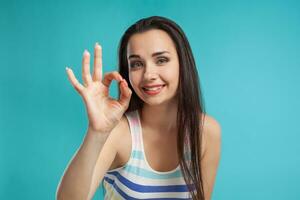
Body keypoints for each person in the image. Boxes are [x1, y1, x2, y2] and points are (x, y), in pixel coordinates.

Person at [56, 16, 221, 200]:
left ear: (183, 63)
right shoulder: (120, 133)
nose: (148, 74)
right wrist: (97, 132)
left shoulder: (206, 131)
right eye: (136, 64)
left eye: (161, 60)